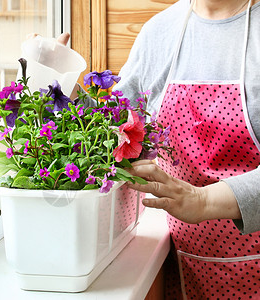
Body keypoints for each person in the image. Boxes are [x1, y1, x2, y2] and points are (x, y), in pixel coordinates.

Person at [108, 0, 260, 298]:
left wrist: (203, 201)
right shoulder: (159, 33)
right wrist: (59, 76)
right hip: (184, 266)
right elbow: (113, 126)